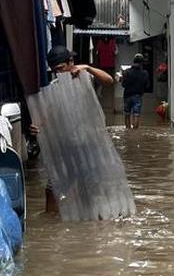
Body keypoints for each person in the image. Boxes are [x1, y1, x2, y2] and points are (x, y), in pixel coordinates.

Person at [41, 45, 114, 216]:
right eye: (54, 71)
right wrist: (39, 126)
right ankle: (51, 222)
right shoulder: (54, 86)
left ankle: (94, 226)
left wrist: (87, 67)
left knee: (92, 189)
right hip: (66, 146)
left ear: (71, 62)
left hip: (91, 145)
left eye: (61, 69)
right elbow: (49, 115)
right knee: (51, 189)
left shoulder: (87, 78)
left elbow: (109, 81)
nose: (59, 74)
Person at [120, 54, 151, 129]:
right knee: (136, 114)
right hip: (137, 96)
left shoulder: (127, 72)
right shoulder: (144, 73)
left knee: (127, 114)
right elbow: (147, 86)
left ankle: (128, 132)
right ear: (141, 63)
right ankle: (135, 133)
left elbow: (123, 85)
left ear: (134, 61)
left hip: (127, 95)